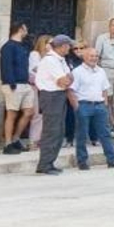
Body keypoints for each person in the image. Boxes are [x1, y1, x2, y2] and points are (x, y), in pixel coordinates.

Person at [69, 47, 114, 170]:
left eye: (96, 56)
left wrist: (104, 103)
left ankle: (112, 160)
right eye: (91, 56)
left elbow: (104, 89)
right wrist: (76, 106)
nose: (94, 58)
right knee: (82, 135)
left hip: (99, 106)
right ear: (84, 57)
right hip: (83, 105)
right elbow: (71, 90)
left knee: (105, 134)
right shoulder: (77, 72)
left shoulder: (101, 71)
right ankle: (82, 162)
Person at [33, 35, 74, 175]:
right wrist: (66, 79)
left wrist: (66, 79)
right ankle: (44, 164)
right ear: (62, 46)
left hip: (58, 95)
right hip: (51, 96)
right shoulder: (50, 61)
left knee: (58, 131)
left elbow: (71, 78)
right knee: (51, 131)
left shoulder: (60, 60)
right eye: (68, 45)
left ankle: (50, 162)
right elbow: (64, 81)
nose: (70, 48)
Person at [0, 22, 34, 155]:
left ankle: (15, 139)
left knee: (29, 112)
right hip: (13, 84)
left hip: (25, 84)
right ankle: (8, 144)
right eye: (25, 28)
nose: (27, 31)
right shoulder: (8, 46)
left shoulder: (23, 46)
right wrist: (11, 83)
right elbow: (6, 65)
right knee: (12, 114)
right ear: (20, 29)